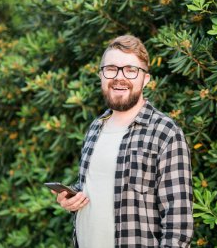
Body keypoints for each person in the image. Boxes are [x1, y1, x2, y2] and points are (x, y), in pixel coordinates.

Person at [53, 35, 193, 247]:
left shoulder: (165, 132)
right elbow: (98, 187)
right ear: (101, 75)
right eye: (111, 69)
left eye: (130, 70)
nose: (119, 77)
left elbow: (178, 222)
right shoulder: (95, 127)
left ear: (145, 79)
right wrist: (70, 197)